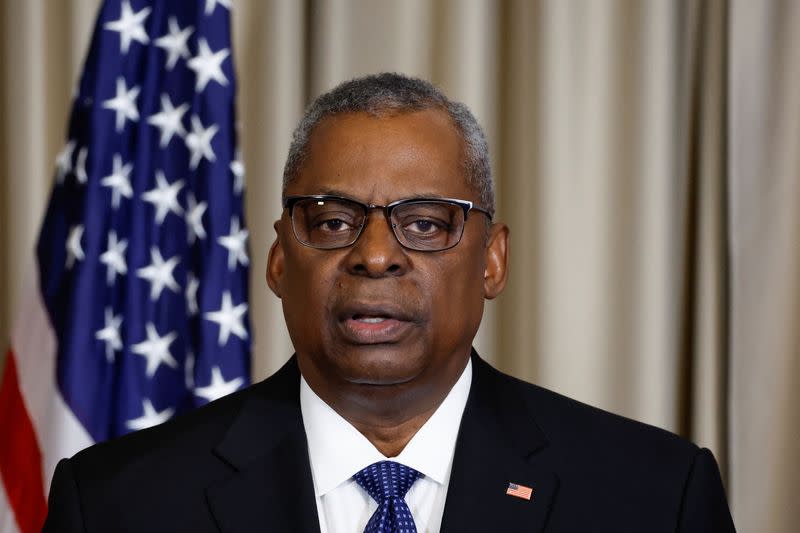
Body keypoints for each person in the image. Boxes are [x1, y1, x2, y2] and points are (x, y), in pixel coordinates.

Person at [43, 73, 736, 532]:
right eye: (333, 220)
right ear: (280, 259)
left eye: (426, 222)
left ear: (492, 259)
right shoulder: (116, 505)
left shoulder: (653, 497)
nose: (375, 254)